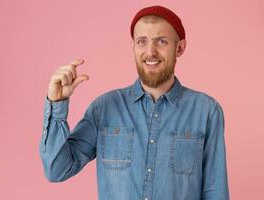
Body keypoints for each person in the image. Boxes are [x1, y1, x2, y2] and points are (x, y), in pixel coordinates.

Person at [39, 5, 230, 200]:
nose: (150, 52)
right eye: (141, 42)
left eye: (161, 41)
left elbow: (216, 192)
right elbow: (57, 170)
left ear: (179, 48)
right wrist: (57, 103)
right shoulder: (104, 108)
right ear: (133, 47)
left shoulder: (206, 111)